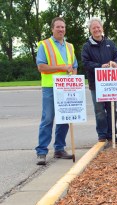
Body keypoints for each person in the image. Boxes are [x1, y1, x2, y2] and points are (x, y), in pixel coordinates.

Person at [35, 17, 78, 165]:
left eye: (63, 27)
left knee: (65, 118)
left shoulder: (70, 46)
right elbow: (41, 67)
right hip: (50, 87)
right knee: (48, 119)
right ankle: (41, 152)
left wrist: (74, 80)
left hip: (66, 87)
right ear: (52, 28)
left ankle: (59, 148)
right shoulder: (44, 45)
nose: (61, 29)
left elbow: (74, 66)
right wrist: (61, 68)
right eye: (58, 27)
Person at [81, 17, 117, 143]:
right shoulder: (86, 46)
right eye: (94, 28)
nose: (96, 29)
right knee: (99, 111)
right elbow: (85, 63)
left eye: (98, 27)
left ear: (102, 28)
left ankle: (112, 135)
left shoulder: (110, 43)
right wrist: (100, 66)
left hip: (111, 84)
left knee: (112, 110)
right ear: (90, 30)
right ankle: (102, 135)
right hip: (96, 84)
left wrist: (115, 63)